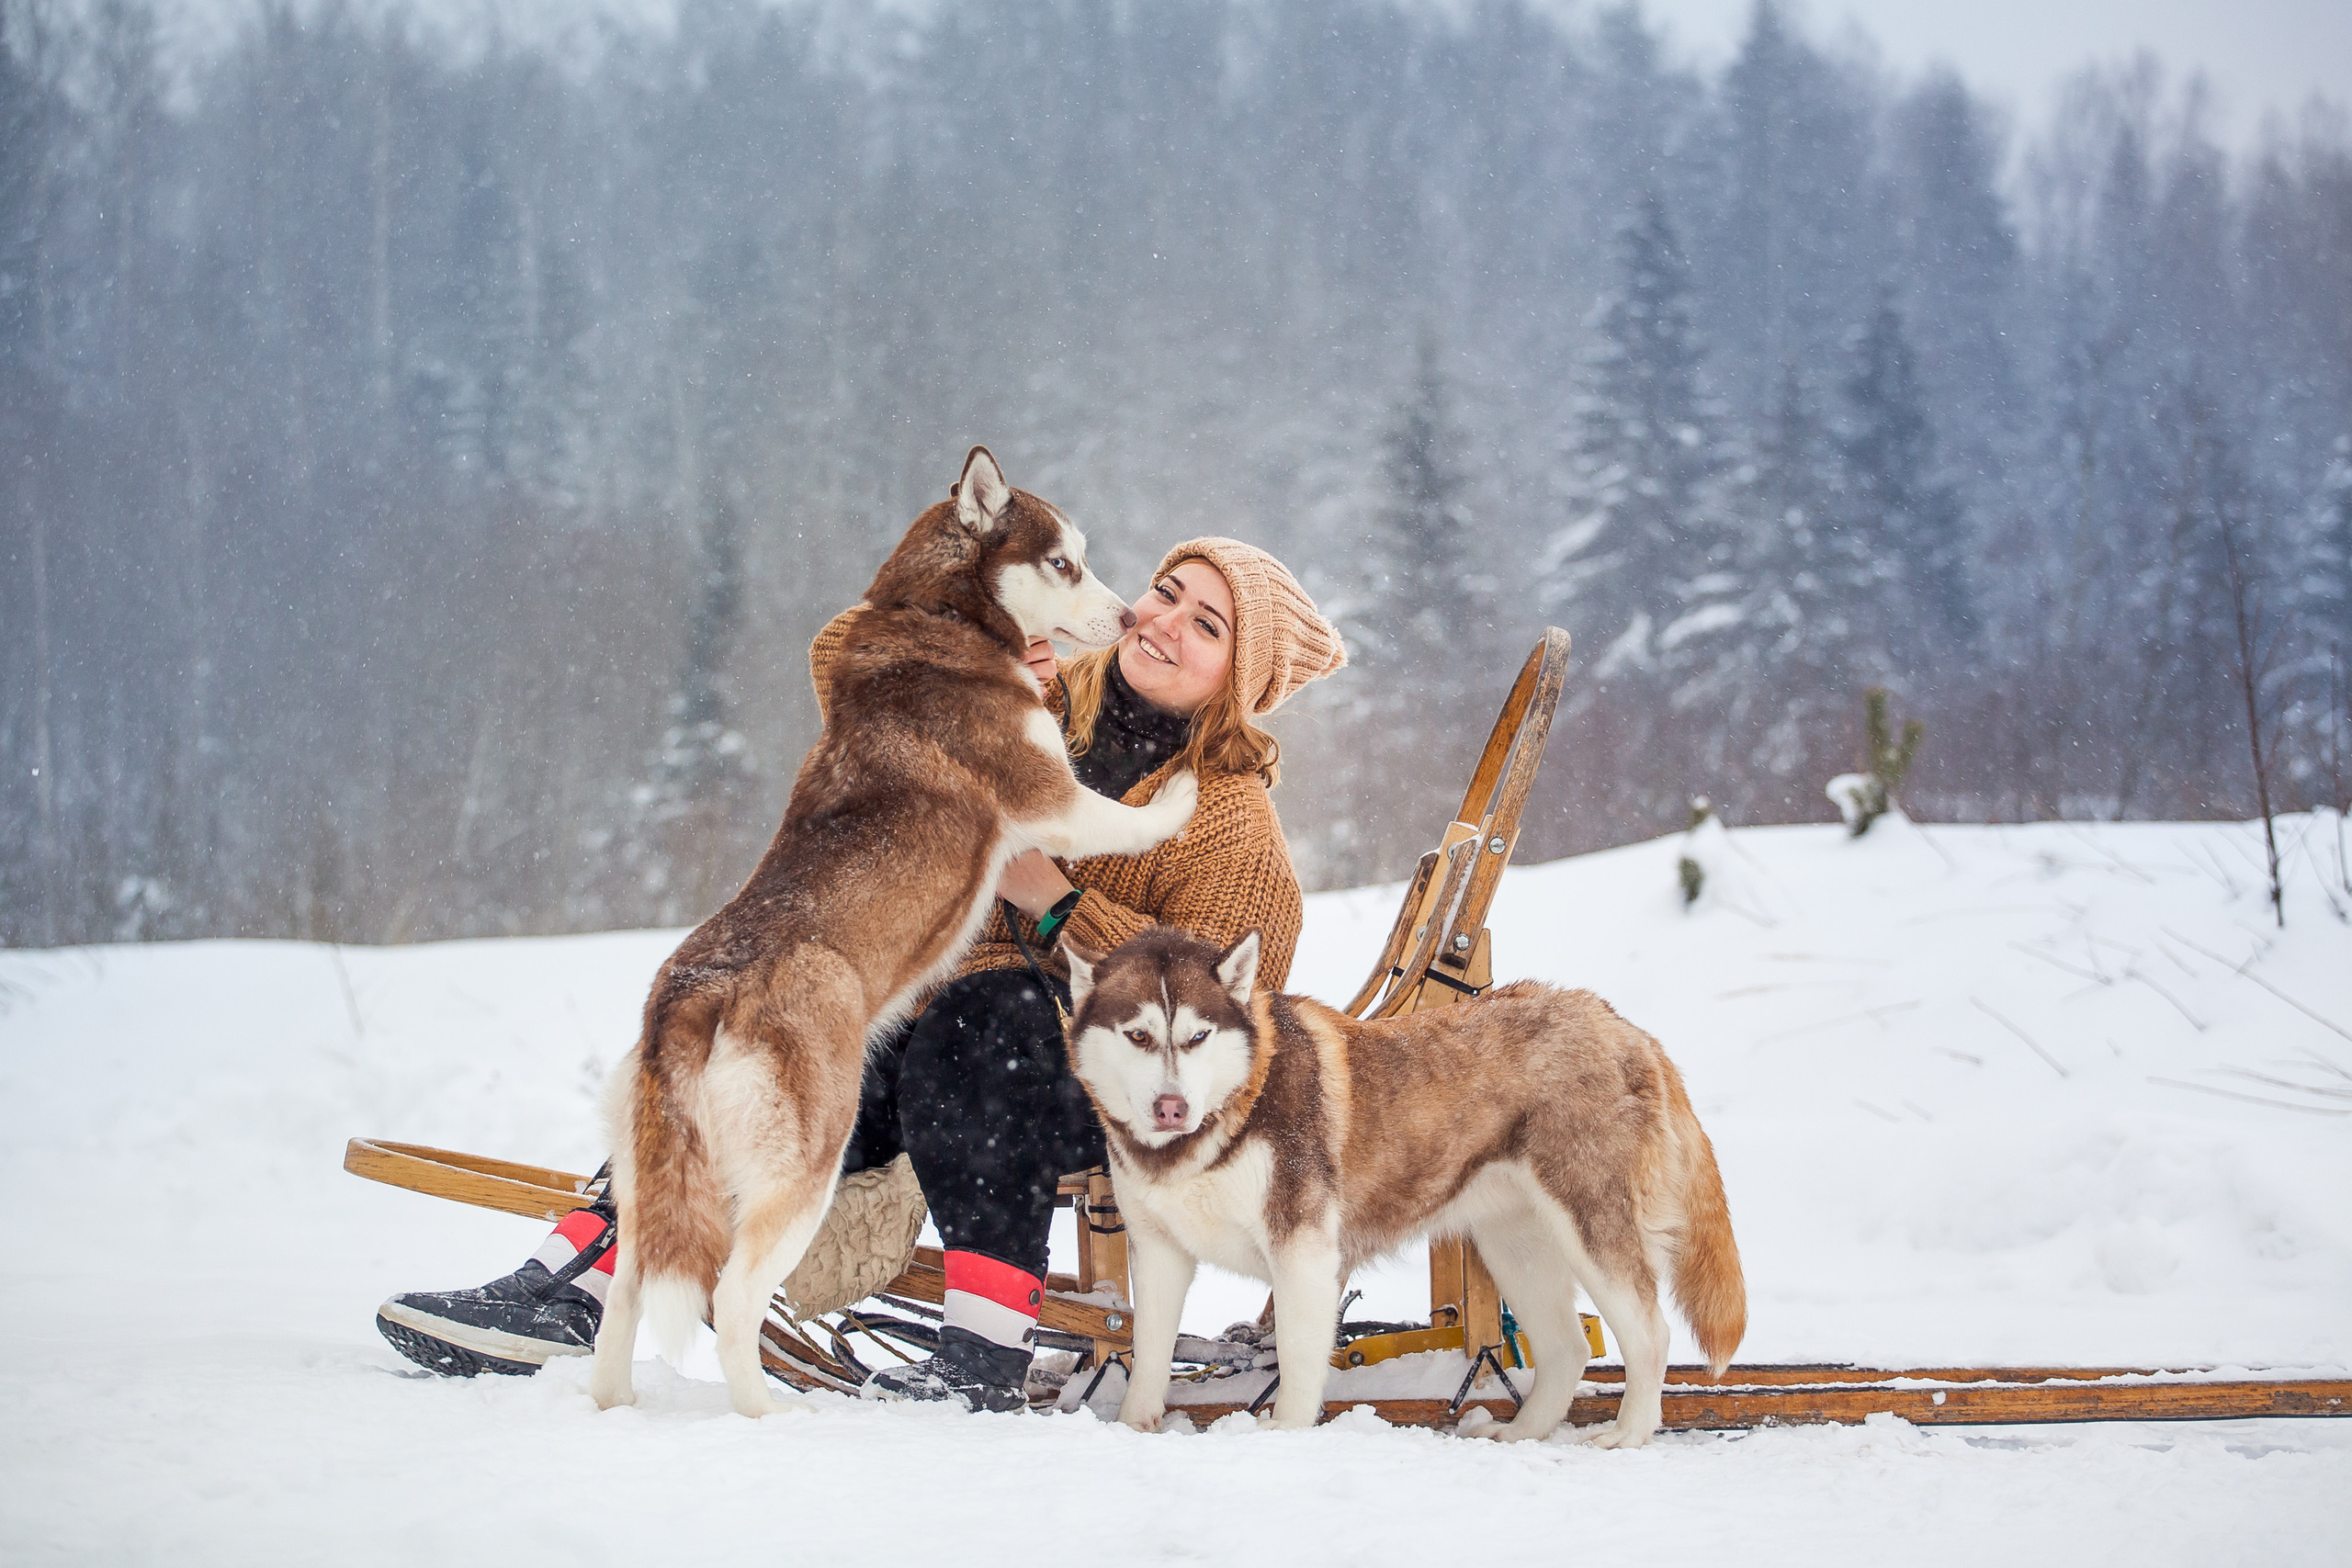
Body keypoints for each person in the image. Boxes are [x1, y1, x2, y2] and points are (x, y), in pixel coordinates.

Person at [376, 536, 1346, 1412]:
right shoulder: (1041, 686)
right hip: (914, 1032)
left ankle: (983, 1354)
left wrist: (1050, 896)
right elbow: (842, 649)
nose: (1161, 621)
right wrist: (989, 642)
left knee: (989, 1012)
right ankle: (570, 1281)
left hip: (1068, 1081)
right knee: (756, 1019)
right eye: (1166, 592)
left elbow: (1220, 1011)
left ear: (1240, 679)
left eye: (1204, 624)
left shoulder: (1231, 829)